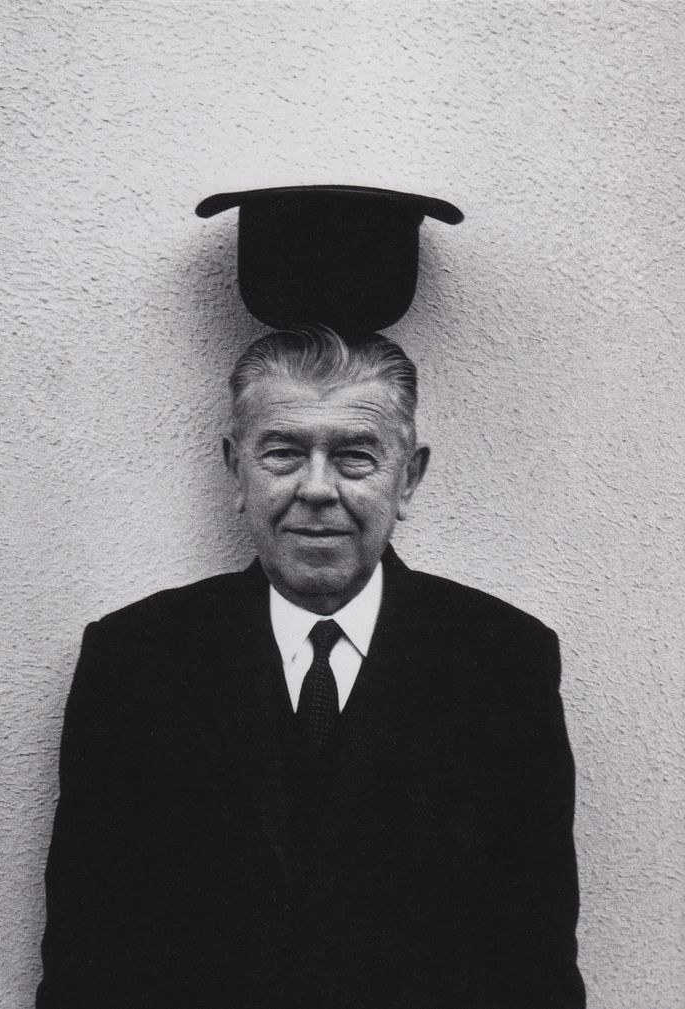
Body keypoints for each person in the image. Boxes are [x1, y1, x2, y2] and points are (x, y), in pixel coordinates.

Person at [37, 325, 585, 1009]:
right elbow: (85, 957)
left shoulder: (504, 663)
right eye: (283, 453)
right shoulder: (134, 661)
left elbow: (534, 963)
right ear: (236, 469)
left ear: (408, 476)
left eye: (355, 456)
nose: (317, 488)